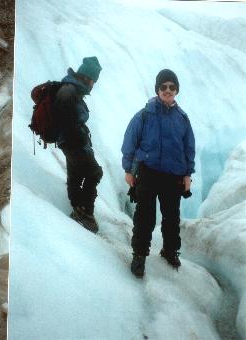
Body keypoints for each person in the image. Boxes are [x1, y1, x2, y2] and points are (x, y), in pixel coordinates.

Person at [121, 69, 195, 278]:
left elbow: (188, 148)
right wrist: (129, 170)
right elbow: (130, 143)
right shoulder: (144, 115)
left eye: (172, 87)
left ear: (177, 90)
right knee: (145, 216)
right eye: (163, 87)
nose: (168, 90)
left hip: (173, 176)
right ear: (157, 90)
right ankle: (139, 255)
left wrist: (187, 174)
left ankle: (170, 250)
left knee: (171, 217)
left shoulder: (182, 119)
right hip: (148, 173)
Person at [53, 57, 103, 233]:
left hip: (70, 142)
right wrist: (78, 139)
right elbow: (66, 120)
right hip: (73, 143)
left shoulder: (71, 89)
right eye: (93, 80)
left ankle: (78, 209)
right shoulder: (69, 91)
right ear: (87, 77)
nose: (93, 84)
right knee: (94, 172)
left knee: (75, 174)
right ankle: (85, 213)